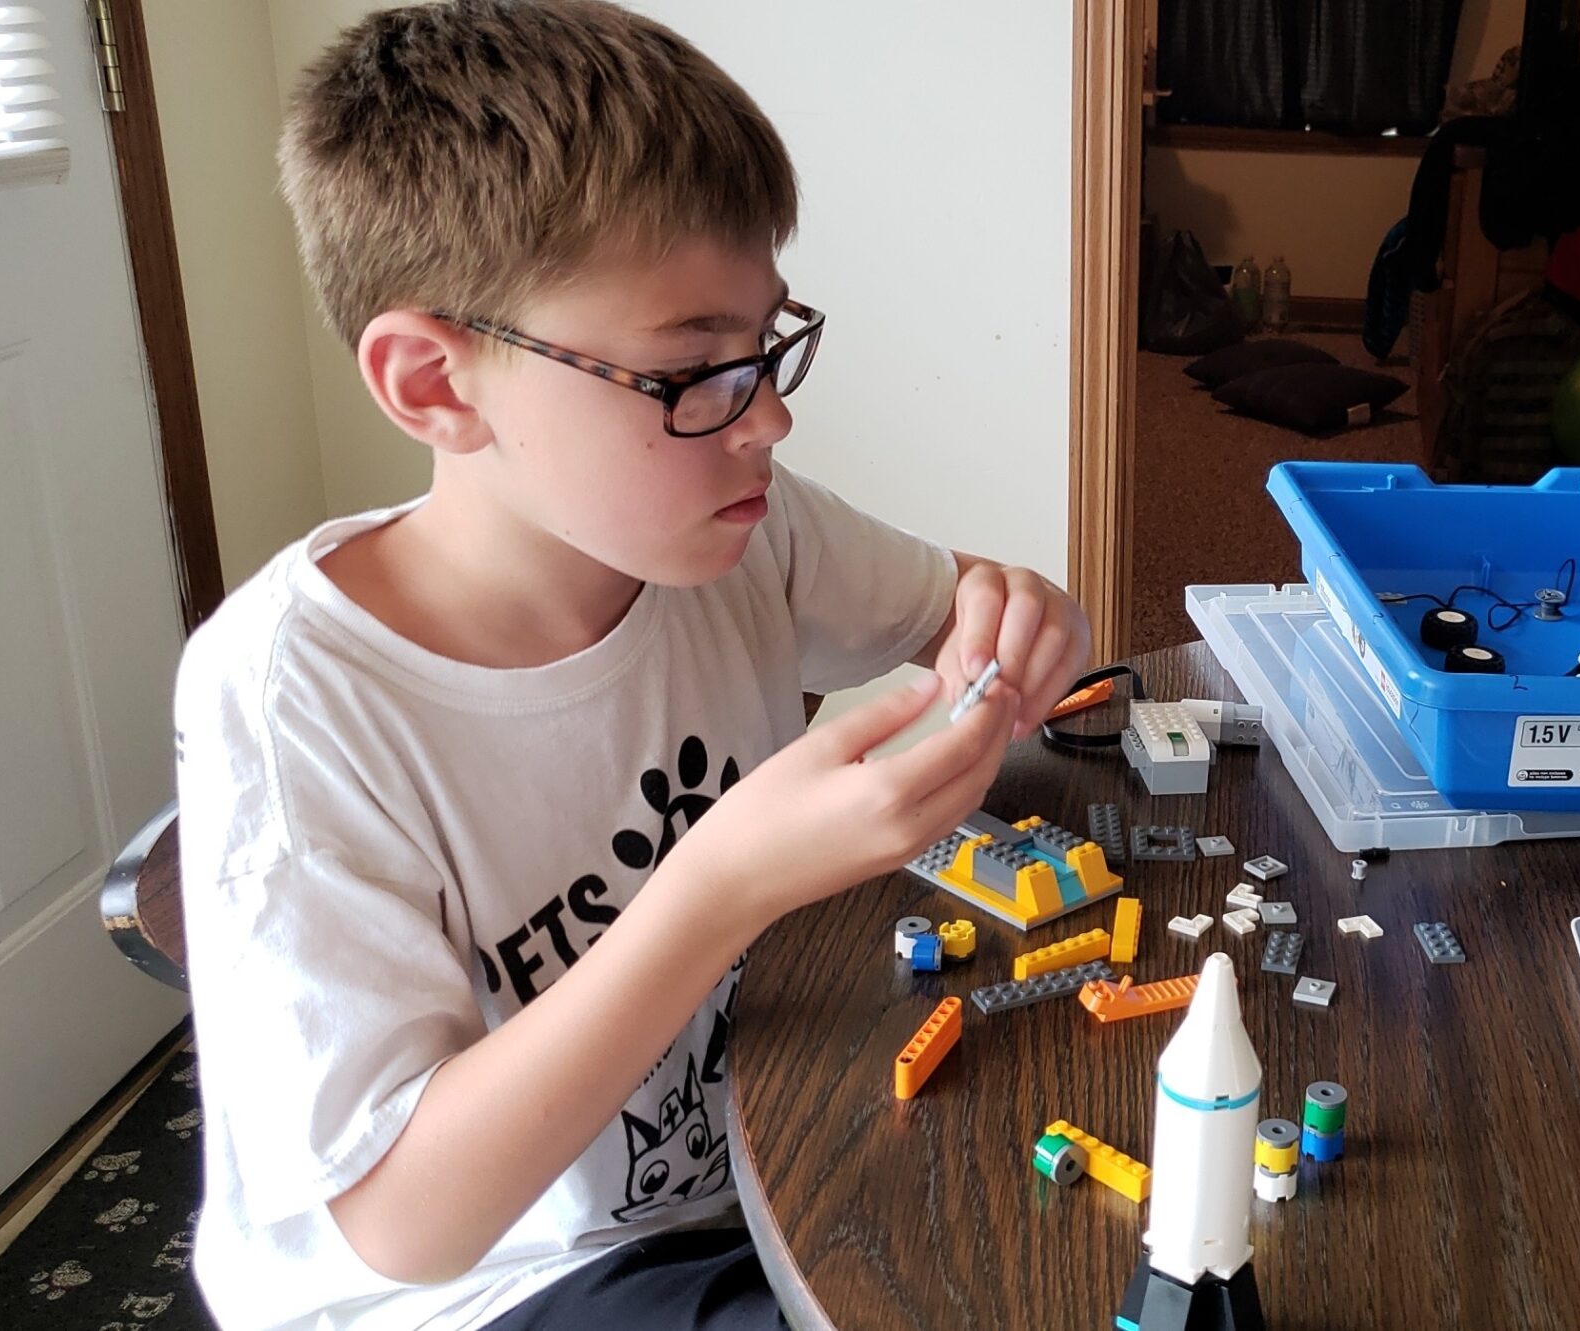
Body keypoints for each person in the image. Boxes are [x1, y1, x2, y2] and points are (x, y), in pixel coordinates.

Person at [171, 3, 1088, 1327]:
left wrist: (1016, 613)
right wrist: (717, 883)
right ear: (436, 385)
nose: (768, 416)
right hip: (493, 1282)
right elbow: (408, 1222)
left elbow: (960, 611)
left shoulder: (742, 527)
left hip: (741, 1158)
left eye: (766, 344)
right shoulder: (292, 695)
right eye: (691, 371)